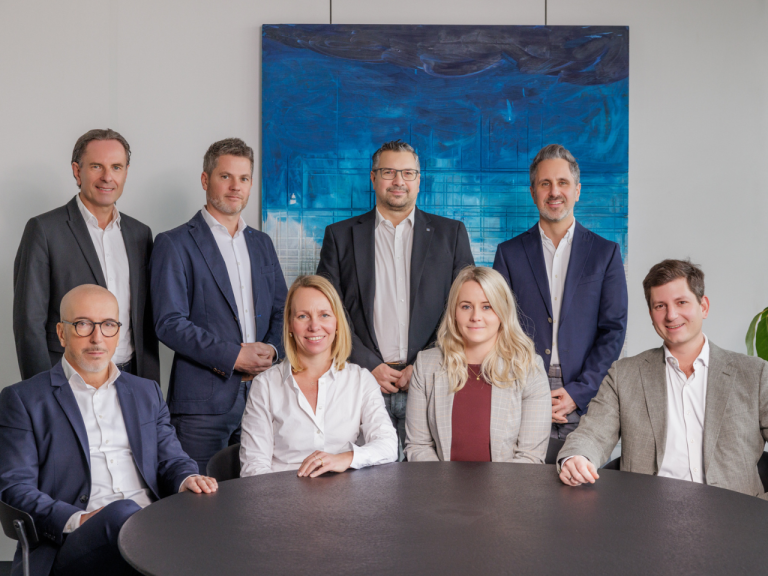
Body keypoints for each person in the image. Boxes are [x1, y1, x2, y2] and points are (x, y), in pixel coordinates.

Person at [0, 285, 217, 576]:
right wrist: (78, 519)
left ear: (119, 332)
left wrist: (188, 478)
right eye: (83, 324)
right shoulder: (23, 399)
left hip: (153, 526)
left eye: (108, 325)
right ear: (61, 333)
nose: (97, 337)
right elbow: (15, 488)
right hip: (74, 541)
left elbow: (171, 460)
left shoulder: (146, 392)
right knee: (124, 512)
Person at [558, 259, 768, 499]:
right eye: (660, 306)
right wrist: (577, 458)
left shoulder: (755, 374)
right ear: (651, 314)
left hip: (735, 514)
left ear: (704, 306)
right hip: (648, 512)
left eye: (681, 302)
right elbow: (593, 433)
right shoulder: (623, 375)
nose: (671, 315)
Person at [316, 139, 475, 457]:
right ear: (373, 178)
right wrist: (369, 364)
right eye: (389, 172)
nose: (398, 181)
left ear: (419, 179)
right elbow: (327, 312)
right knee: (367, 480)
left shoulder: (451, 234)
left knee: (428, 478)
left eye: (408, 173)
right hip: (362, 381)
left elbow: (464, 310)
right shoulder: (340, 236)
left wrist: (425, 362)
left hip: (432, 380)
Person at [150, 138, 288, 474]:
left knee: (259, 497)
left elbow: (283, 311)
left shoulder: (262, 243)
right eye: (225, 176)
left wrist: (273, 350)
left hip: (263, 397)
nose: (235, 186)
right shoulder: (174, 243)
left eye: (244, 178)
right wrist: (233, 356)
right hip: (201, 406)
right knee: (198, 499)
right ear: (205, 179)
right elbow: (169, 322)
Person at [493, 144, 627, 440]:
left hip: (585, 394)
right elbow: (499, 329)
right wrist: (530, 392)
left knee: (577, 470)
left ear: (577, 190)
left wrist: (579, 392)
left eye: (563, 183)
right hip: (520, 390)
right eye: (545, 183)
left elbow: (613, 331)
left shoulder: (605, 254)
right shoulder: (508, 254)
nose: (554, 192)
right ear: (533, 192)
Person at [13, 128, 159, 381]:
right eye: (96, 166)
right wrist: (43, 391)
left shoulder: (140, 234)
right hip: (67, 375)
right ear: (76, 171)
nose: (107, 177)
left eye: (116, 167)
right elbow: (29, 323)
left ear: (125, 172)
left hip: (131, 376)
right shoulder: (44, 230)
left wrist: (149, 384)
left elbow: (144, 320)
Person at [240, 275, 398, 477]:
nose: (314, 326)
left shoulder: (361, 380)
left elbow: (388, 445)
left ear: (337, 323)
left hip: (346, 495)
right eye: (303, 316)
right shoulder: (265, 385)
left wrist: (344, 458)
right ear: (289, 324)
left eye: (324, 315)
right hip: (282, 494)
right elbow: (253, 469)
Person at [404, 266, 551, 462]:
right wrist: (443, 482)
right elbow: (418, 445)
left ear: (503, 311)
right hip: (439, 481)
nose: (475, 316)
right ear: (454, 312)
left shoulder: (529, 368)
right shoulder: (426, 365)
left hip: (508, 482)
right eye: (466, 306)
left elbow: (530, 457)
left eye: (487, 307)